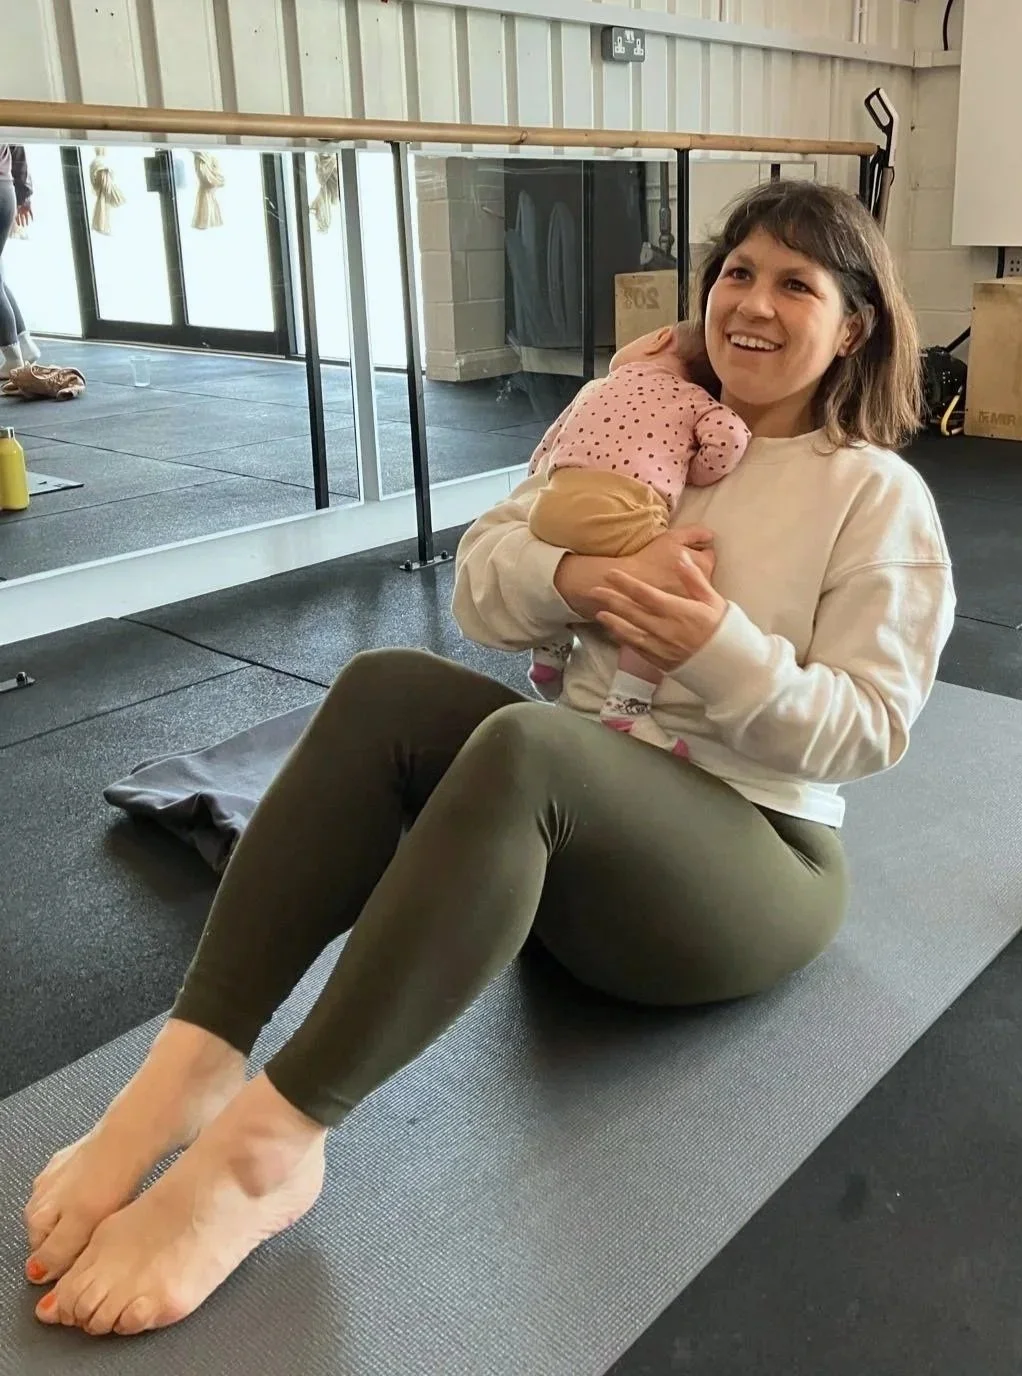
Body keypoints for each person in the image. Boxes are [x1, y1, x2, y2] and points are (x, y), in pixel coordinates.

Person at [21, 180, 955, 1338]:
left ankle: (267, 1149)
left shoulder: (874, 497)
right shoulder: (640, 417)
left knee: (530, 743)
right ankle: (191, 1062)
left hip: (754, 861)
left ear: (853, 325)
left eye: (794, 284)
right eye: (735, 272)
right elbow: (480, 576)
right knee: (387, 687)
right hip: (576, 840)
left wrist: (715, 650)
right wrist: (576, 578)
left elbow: (869, 727)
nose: (751, 304)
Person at [526, 319, 751, 753]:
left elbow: (545, 450)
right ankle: (626, 707)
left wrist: (541, 488)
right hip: (623, 511)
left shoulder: (595, 388)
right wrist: (695, 470)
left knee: (563, 552)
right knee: (662, 593)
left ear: (660, 338)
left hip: (550, 506)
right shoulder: (694, 400)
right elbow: (732, 437)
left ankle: (549, 647)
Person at [0, 145, 40, 379]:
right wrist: (24, 195)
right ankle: (24, 345)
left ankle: (12, 357)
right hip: (6, 191)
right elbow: (16, 146)